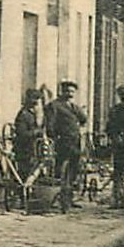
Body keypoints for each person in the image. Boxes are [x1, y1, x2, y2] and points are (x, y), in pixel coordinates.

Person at [46, 81, 87, 211]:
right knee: (62, 173)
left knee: (73, 172)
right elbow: (50, 126)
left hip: (75, 143)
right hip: (62, 143)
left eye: (72, 91)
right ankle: (60, 200)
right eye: (67, 91)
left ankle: (69, 199)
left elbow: (83, 119)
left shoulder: (74, 107)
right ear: (61, 91)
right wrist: (55, 138)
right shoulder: (54, 106)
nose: (69, 94)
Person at [12, 88, 44, 182]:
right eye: (34, 98)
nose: (36, 101)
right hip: (24, 149)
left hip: (34, 148)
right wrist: (37, 132)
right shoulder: (23, 114)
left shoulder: (35, 114)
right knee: (25, 173)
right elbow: (22, 134)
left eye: (38, 99)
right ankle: (24, 189)